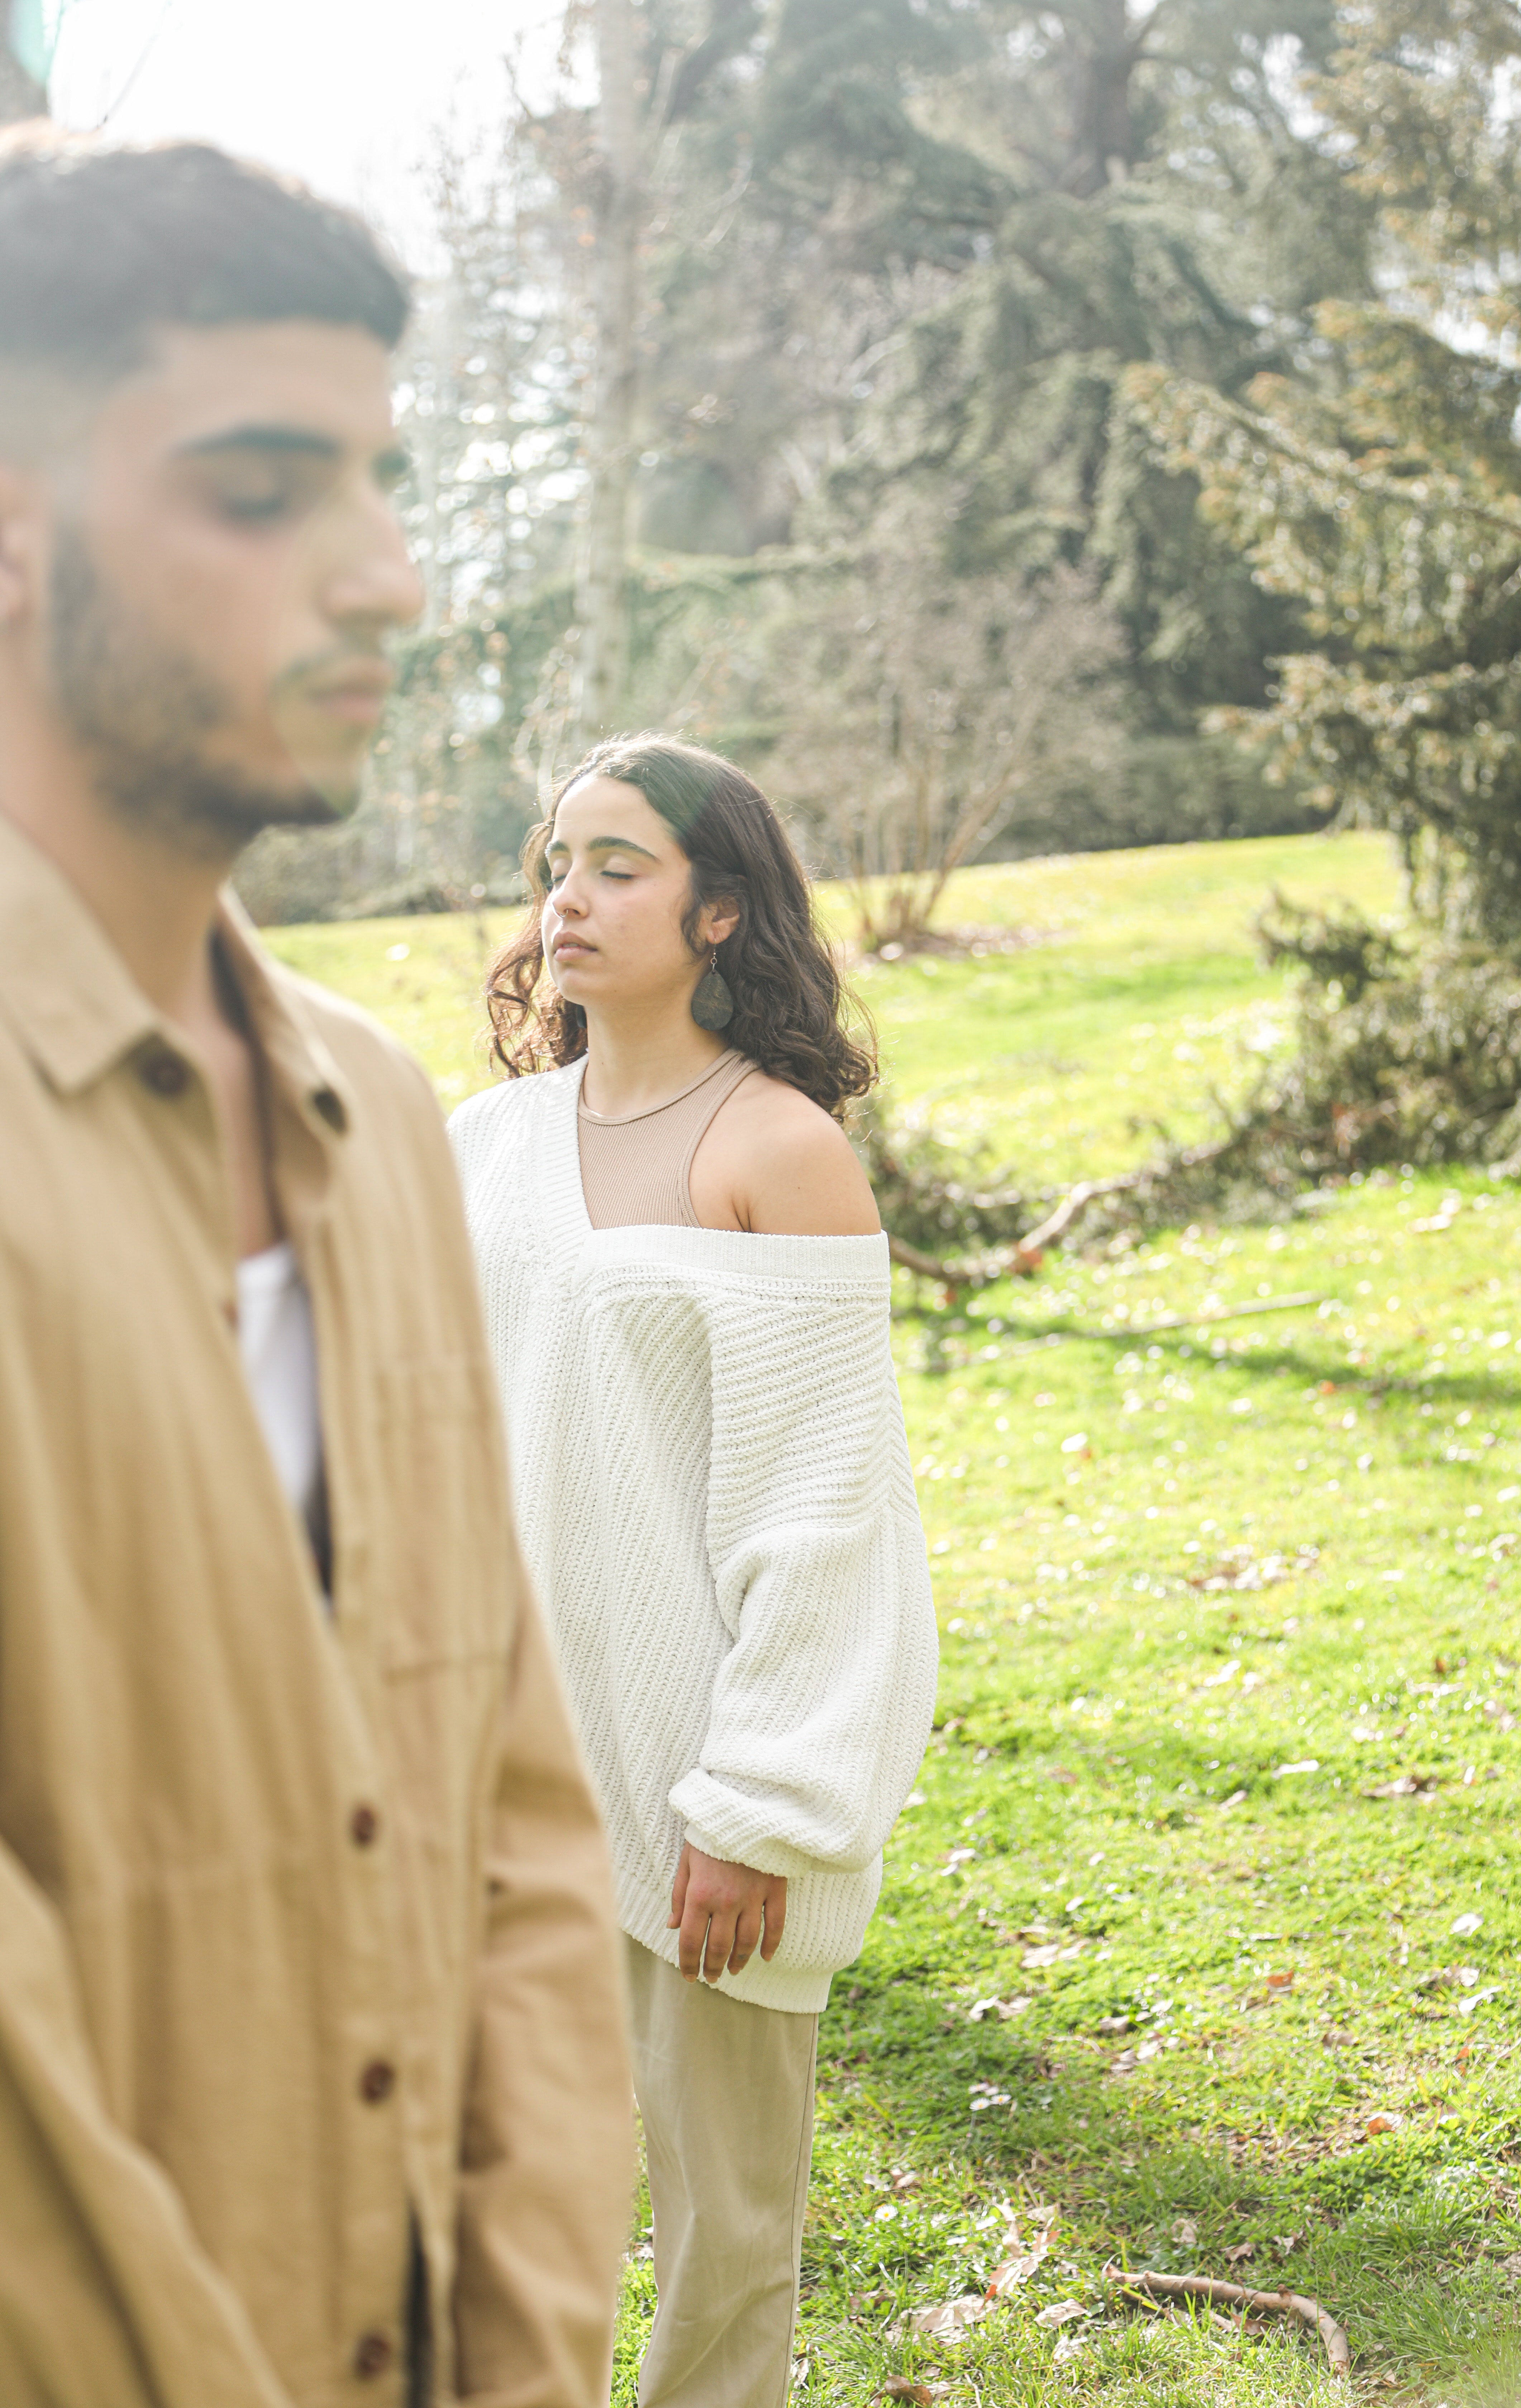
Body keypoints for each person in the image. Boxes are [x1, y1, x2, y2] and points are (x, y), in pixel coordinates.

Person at [0, 129, 635, 2408]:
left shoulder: (373, 1118)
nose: (388, 579)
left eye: (382, 482)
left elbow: (527, 1829)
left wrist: (537, 2358)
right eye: (265, 496)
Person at [449, 736, 940, 2408]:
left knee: (726, 2235)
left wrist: (757, 1807)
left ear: (720, 910)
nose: (568, 901)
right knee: (507, 2209)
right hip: (507, 1782)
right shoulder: (482, 1149)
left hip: (705, 1797)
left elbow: (827, 1517)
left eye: (619, 866)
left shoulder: (776, 1153)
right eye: (555, 863)